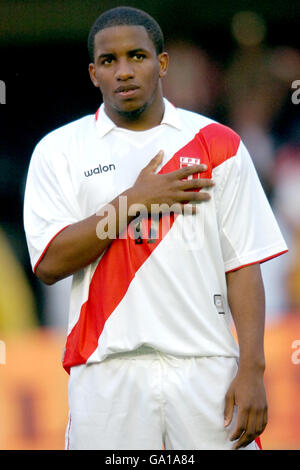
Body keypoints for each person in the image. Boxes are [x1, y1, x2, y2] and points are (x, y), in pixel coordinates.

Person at [23, 6, 288, 450]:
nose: (124, 71)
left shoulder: (217, 143)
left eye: (137, 57)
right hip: (108, 372)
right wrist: (135, 201)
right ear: (93, 73)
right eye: (109, 61)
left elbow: (243, 264)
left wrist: (253, 369)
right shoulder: (59, 151)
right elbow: (49, 263)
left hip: (207, 369)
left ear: (161, 63)